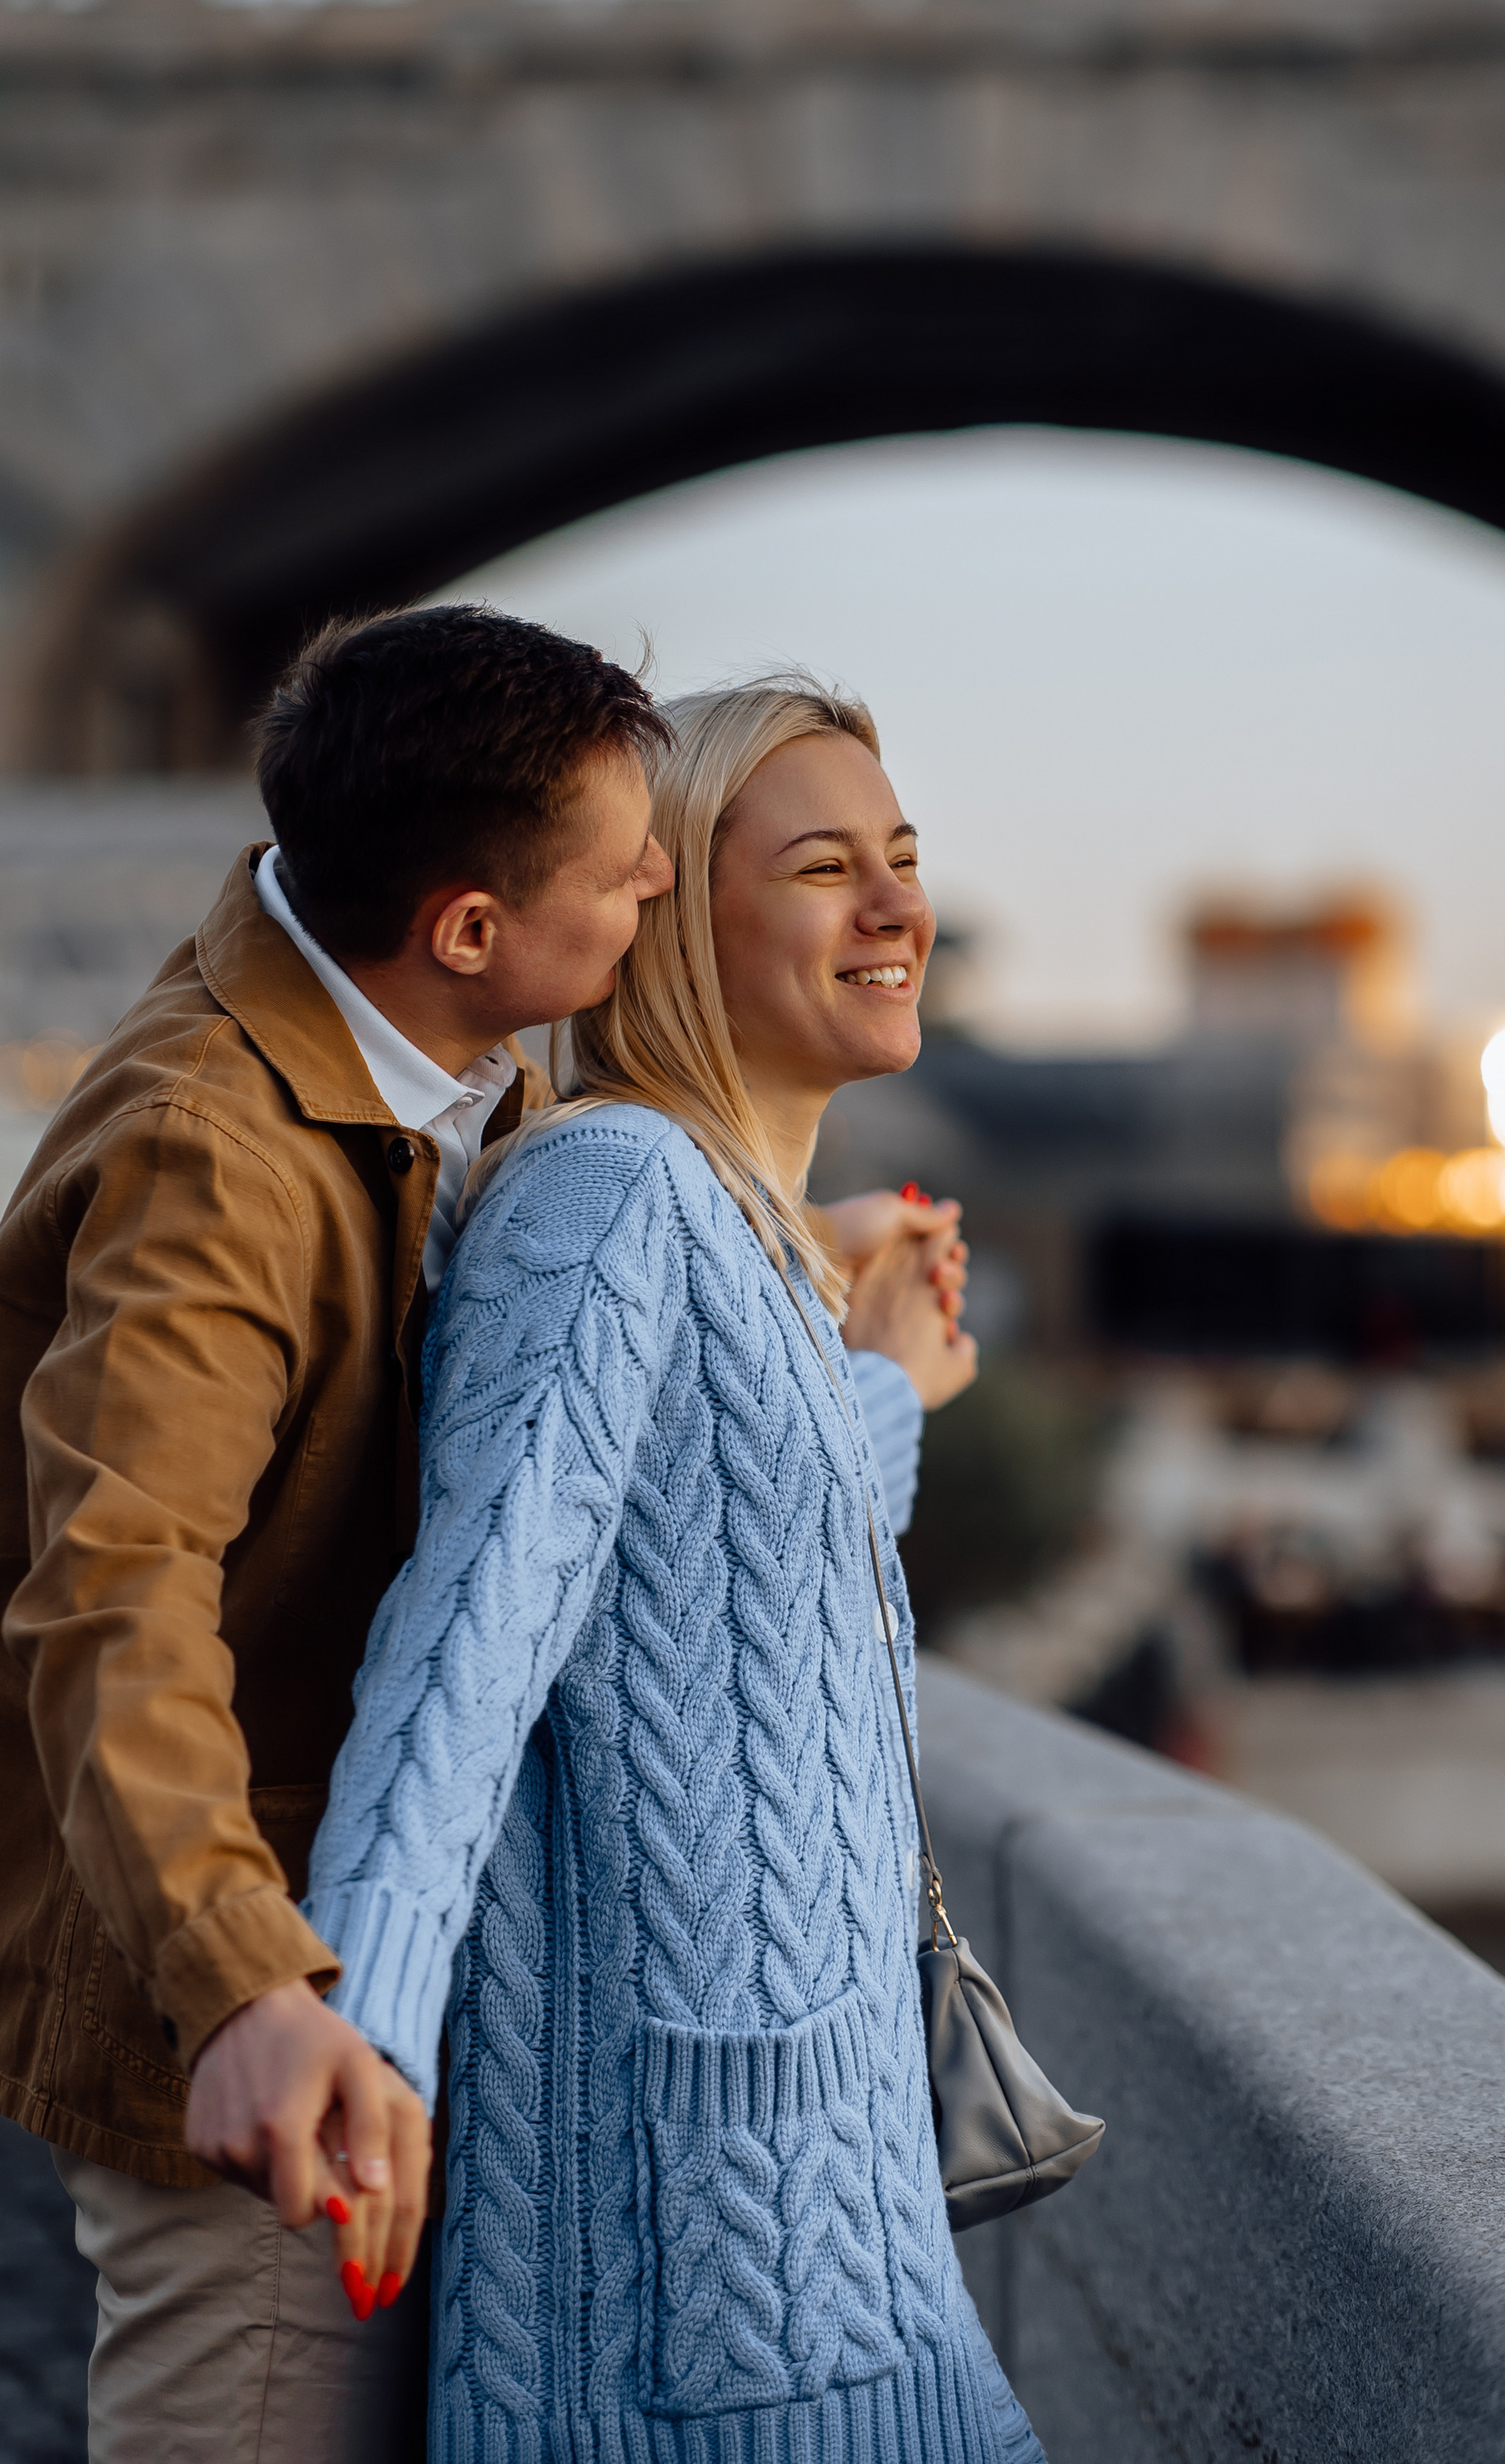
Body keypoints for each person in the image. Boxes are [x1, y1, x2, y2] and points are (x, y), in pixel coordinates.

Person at [0, 611, 966, 2464]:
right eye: (631, 879)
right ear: (470, 926)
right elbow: (115, 1601)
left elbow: (642, 1442)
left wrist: (806, 1284)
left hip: (409, 1996)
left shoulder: (449, 1068)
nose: (655, 900)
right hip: (271, 2018)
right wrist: (253, 1989)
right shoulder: (213, 1150)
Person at [304, 675, 1038, 2462]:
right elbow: (478, 1628)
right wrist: (360, 2023)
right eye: (818, 867)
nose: (892, 909)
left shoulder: (719, 1232)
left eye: (902, 858)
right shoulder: (612, 1197)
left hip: (825, 2217)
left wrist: (876, 1379)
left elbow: (715, 1581)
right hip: (684, 2272)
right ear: (667, 918)